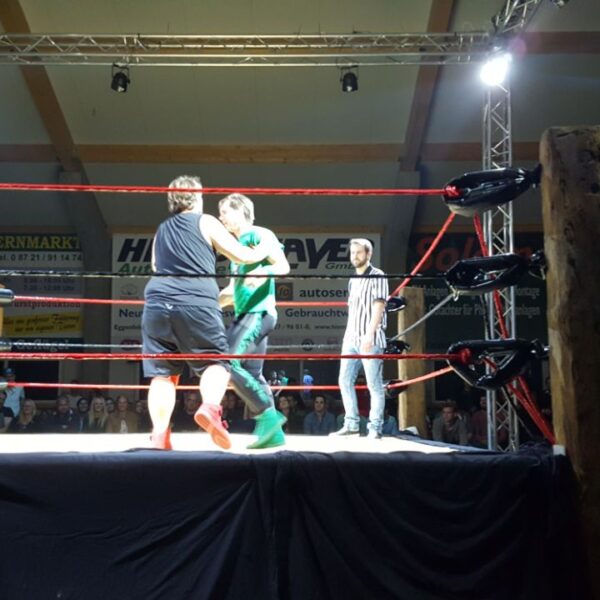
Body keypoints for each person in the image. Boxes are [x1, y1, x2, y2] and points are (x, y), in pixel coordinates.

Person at [142, 175, 276, 450]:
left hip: (156, 301)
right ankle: (211, 409)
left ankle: (160, 435)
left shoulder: (162, 229)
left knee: (163, 373)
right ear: (197, 196)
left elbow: (155, 264)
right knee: (217, 362)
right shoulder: (206, 222)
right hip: (195, 299)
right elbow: (240, 254)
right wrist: (266, 251)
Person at [218, 193, 290, 449]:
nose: (221, 217)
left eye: (225, 212)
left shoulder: (258, 234)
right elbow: (232, 291)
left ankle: (269, 417)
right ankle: (273, 434)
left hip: (258, 313)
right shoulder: (236, 250)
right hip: (248, 314)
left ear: (240, 211)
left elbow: (283, 266)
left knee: (224, 362)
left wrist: (262, 273)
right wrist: (208, 304)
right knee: (252, 374)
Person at [331, 238, 388, 440]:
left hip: (370, 338)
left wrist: (370, 333)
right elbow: (353, 310)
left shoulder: (378, 275)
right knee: (344, 380)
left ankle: (375, 428)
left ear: (368, 254)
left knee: (374, 385)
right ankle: (352, 425)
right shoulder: (353, 279)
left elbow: (379, 304)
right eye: (352, 252)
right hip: (351, 337)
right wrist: (348, 335)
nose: (354, 256)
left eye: (359, 252)